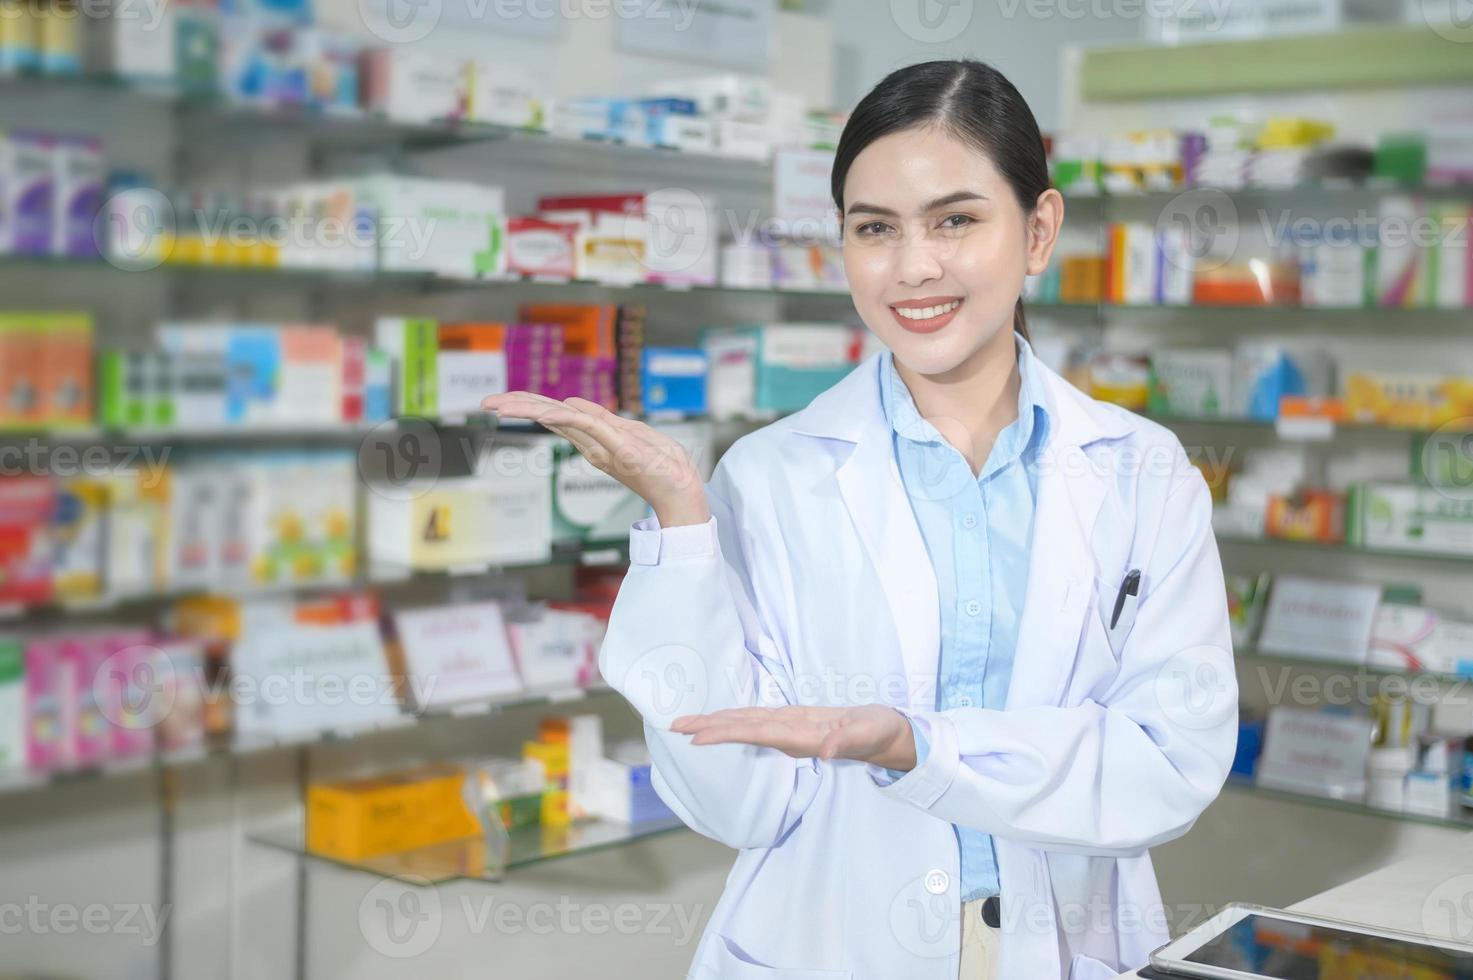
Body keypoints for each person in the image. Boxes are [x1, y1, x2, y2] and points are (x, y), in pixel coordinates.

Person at [483, 59, 1237, 980]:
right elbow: (738, 802)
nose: (913, 266)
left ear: (1038, 232)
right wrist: (682, 524)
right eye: (873, 228)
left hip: (1064, 948)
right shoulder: (769, 476)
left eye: (955, 220)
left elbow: (1170, 764)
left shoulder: (1143, 472)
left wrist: (919, 747)